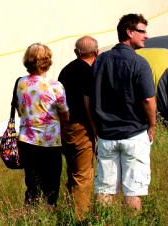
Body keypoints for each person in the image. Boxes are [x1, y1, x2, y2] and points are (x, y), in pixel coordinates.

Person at [84, 14, 156, 211]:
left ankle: (102, 224)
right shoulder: (139, 63)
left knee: (104, 188)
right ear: (129, 32)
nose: (146, 36)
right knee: (133, 190)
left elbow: (87, 97)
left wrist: (94, 125)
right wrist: (152, 125)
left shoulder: (99, 61)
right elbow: (148, 99)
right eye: (142, 31)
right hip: (134, 134)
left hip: (106, 135)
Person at [16, 43, 69, 208]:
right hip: (50, 142)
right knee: (51, 185)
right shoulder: (55, 86)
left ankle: (30, 215)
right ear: (47, 61)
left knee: (32, 185)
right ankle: (49, 214)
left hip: (27, 140)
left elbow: (18, 109)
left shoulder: (20, 83)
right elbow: (65, 115)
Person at [58, 36, 98, 217]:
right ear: (97, 53)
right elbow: (89, 104)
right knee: (83, 175)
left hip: (65, 127)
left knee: (72, 172)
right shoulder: (91, 73)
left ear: (76, 52)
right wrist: (95, 130)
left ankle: (69, 210)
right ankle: (80, 217)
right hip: (83, 126)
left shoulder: (65, 71)